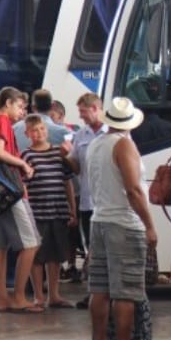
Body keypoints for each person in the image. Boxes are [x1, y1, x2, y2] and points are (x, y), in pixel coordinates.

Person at [87, 97, 158, 340]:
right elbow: (134, 190)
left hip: (99, 221)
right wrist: (150, 225)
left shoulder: (96, 144)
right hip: (124, 224)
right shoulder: (124, 145)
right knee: (126, 290)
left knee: (100, 288)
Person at [0, 86, 42, 314]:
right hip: (11, 190)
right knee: (31, 243)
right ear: (7, 103)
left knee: (0, 246)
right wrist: (22, 164)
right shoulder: (2, 122)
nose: (22, 112)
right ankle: (19, 295)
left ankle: (2, 298)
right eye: (19, 106)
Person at [21, 114, 76, 309]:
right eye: (34, 131)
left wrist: (72, 210)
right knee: (37, 256)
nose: (39, 133)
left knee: (56, 255)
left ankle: (54, 294)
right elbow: (23, 185)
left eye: (42, 129)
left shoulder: (57, 153)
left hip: (58, 210)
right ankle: (38, 295)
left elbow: (67, 182)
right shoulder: (26, 155)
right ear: (27, 133)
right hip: (37, 212)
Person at [65, 93, 108, 294]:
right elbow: (77, 168)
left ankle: (105, 292)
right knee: (91, 249)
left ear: (95, 109)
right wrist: (66, 155)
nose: (81, 116)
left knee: (106, 250)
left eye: (83, 112)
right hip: (88, 202)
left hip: (107, 202)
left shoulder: (112, 132)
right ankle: (94, 292)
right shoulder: (81, 135)